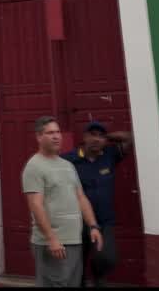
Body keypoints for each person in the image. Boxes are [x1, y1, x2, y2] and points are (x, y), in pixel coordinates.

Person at [22, 115, 103, 287]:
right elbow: (35, 205)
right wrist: (52, 238)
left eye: (58, 132)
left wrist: (93, 226)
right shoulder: (34, 166)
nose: (56, 136)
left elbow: (81, 198)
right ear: (39, 137)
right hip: (53, 243)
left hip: (74, 240)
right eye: (50, 133)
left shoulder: (67, 165)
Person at [67, 121, 132, 287]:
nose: (96, 139)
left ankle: (98, 277)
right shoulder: (70, 160)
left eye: (99, 135)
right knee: (76, 266)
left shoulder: (109, 155)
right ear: (84, 137)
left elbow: (129, 138)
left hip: (104, 222)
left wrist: (106, 138)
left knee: (107, 258)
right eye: (92, 135)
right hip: (78, 222)